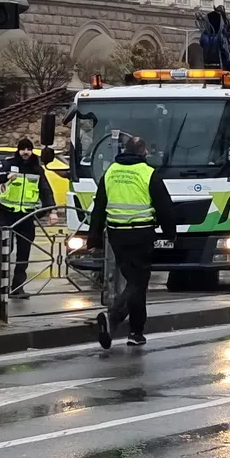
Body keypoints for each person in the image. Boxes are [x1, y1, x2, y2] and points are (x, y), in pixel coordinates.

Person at [89, 136, 175, 349]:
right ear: (143, 153)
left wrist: (94, 237)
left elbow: (99, 206)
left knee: (135, 281)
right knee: (138, 282)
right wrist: (170, 232)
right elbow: (164, 206)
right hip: (141, 234)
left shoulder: (110, 172)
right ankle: (114, 317)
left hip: (117, 235)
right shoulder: (148, 173)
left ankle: (136, 332)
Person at [0, 138, 56, 299]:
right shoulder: (7, 163)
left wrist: (52, 211)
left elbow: (45, 190)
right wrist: (7, 175)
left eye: (29, 149)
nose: (26, 152)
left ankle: (17, 287)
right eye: (23, 149)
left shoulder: (37, 168)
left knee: (24, 253)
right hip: (7, 214)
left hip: (27, 216)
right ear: (18, 150)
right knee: (6, 251)